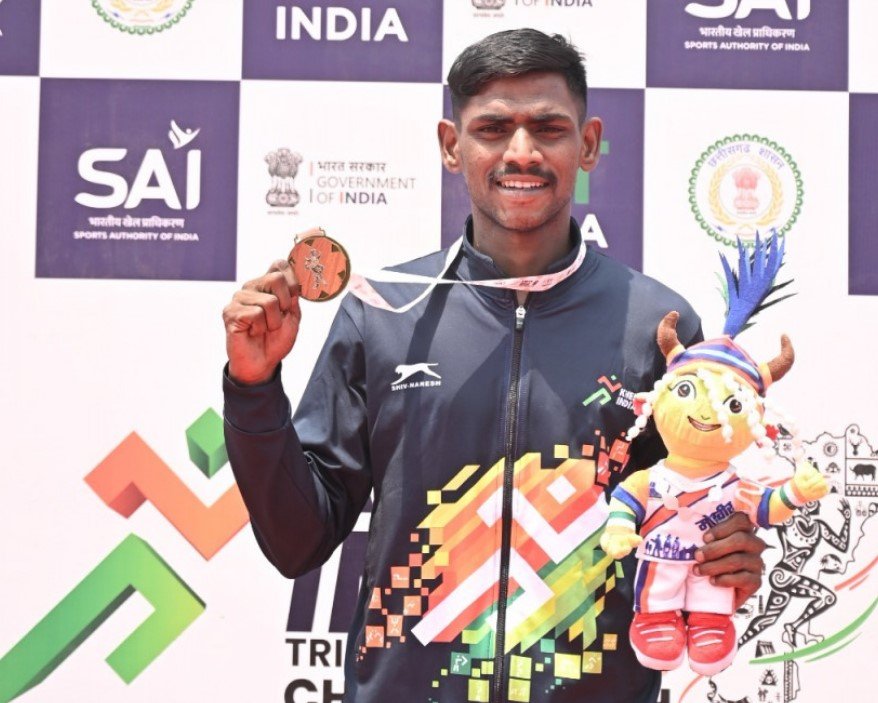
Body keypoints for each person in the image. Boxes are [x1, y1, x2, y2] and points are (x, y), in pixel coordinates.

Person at [222, 29, 766, 703]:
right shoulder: (384, 314)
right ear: (452, 146)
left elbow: (689, 515)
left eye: (548, 127)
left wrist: (725, 554)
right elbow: (296, 541)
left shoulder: (659, 327)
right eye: (493, 128)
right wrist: (253, 389)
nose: (521, 151)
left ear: (588, 143)